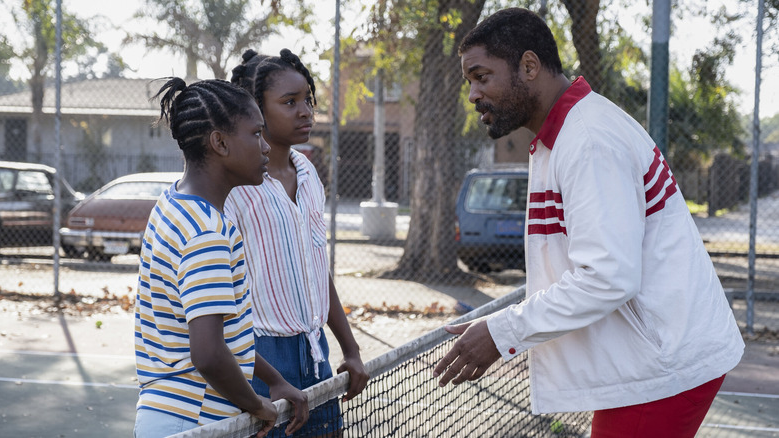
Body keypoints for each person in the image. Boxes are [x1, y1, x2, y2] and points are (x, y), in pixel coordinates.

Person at [433, 8, 745, 438]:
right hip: (654, 359)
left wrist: (502, 330)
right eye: (470, 81)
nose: (473, 94)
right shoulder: (563, 135)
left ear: (528, 66)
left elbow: (607, 278)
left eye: (482, 76)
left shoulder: (588, 139)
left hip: (664, 364)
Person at [134, 77, 309, 438]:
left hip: (167, 415)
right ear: (219, 143)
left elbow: (226, 336)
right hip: (195, 419)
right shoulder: (208, 232)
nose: (264, 147)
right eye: (255, 134)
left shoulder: (172, 204)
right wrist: (257, 404)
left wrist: (273, 380)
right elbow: (209, 353)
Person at [226, 49, 369, 436]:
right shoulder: (234, 186)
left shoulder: (306, 172)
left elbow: (315, 268)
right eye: (289, 102)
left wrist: (350, 349)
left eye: (307, 98)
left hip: (314, 350)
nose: (305, 110)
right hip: (259, 358)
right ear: (255, 109)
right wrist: (265, 373)